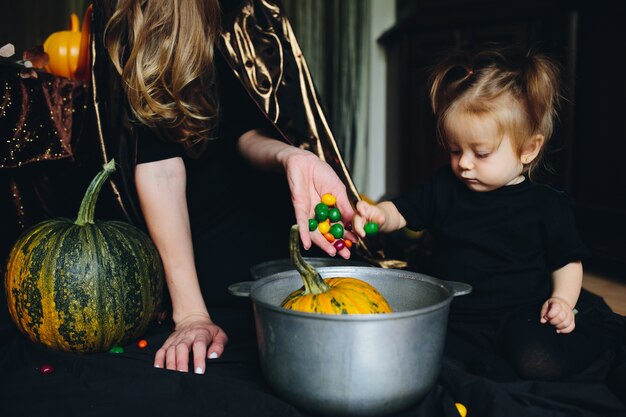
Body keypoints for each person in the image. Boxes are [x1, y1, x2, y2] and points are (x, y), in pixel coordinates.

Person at [99, 0, 358, 376]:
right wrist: (190, 314)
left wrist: (291, 157)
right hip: (182, 230)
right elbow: (157, 165)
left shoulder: (249, 10)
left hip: (249, 207)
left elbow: (244, 130)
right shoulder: (123, 14)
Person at [353, 45, 625, 382]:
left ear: (529, 149)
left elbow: (567, 262)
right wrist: (378, 214)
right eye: (455, 150)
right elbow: (401, 211)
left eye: (480, 153)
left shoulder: (546, 205)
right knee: (410, 353)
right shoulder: (444, 186)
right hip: (457, 313)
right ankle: (490, 368)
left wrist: (563, 301)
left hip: (521, 312)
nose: (464, 163)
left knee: (538, 360)